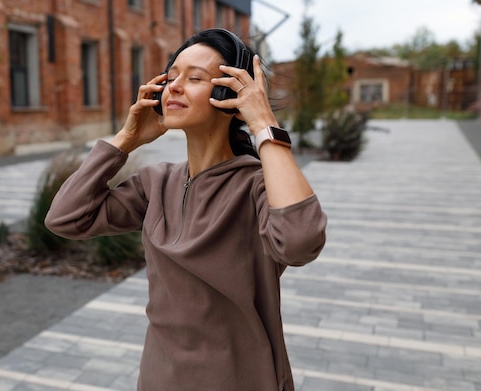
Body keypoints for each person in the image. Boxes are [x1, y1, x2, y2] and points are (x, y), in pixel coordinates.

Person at [45, 28, 327, 391]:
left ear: (230, 94)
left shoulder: (258, 184)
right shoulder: (155, 183)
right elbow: (66, 219)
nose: (174, 86)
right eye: (171, 75)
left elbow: (301, 242)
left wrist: (263, 126)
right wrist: (125, 141)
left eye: (195, 78)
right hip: (160, 377)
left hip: (241, 379)